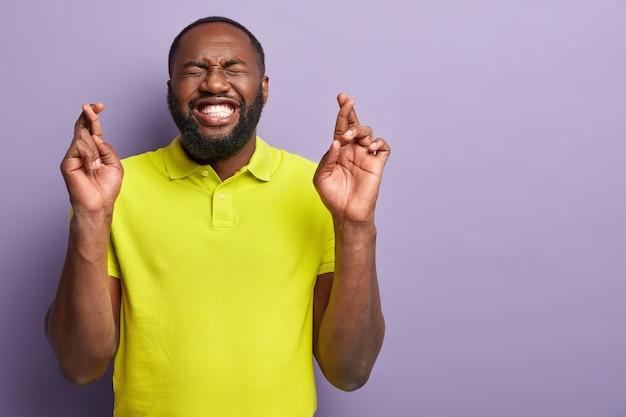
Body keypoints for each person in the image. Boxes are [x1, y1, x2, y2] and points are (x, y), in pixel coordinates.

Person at [45, 16, 390, 417]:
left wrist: (355, 225)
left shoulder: (318, 189)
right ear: (171, 89)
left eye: (233, 68)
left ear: (263, 89)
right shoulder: (111, 186)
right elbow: (79, 366)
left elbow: (350, 372)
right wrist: (90, 216)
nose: (213, 83)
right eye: (194, 70)